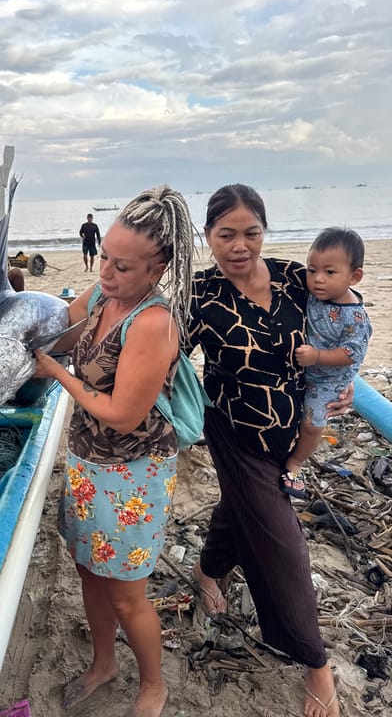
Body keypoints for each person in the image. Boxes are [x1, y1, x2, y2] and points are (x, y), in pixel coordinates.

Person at [34, 185, 196, 717]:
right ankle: (103, 664)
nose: (106, 272)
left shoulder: (153, 322)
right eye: (104, 257)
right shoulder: (104, 294)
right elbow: (64, 331)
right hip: (87, 460)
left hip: (134, 472)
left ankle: (153, 685)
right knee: (89, 571)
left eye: (122, 266)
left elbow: (123, 414)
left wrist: (56, 373)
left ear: (157, 269)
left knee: (127, 593)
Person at [187, 184, 349, 717]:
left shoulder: (293, 278)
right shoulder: (199, 293)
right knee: (284, 543)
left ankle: (208, 569)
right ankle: (315, 662)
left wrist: (344, 382)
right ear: (208, 236)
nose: (240, 246)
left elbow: (341, 329)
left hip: (289, 430)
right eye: (226, 235)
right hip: (235, 432)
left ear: (264, 231)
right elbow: (163, 355)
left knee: (241, 507)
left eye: (251, 233)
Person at [282, 227, 372, 499]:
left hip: (328, 381)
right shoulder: (315, 293)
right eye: (312, 270)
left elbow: (351, 353)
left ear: (354, 277)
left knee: (312, 424)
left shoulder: (354, 316)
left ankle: (296, 463)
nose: (318, 279)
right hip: (303, 371)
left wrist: (318, 356)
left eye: (330, 272)